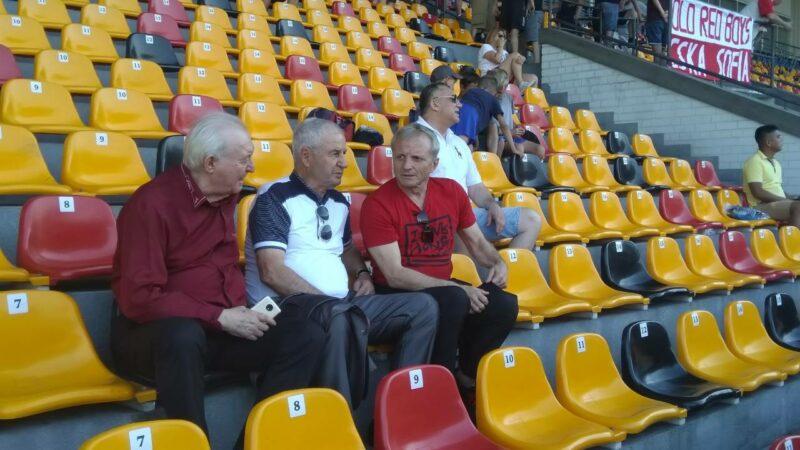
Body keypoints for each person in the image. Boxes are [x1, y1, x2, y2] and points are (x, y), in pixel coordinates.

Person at [111, 113, 326, 447]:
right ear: (210, 163)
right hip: (155, 337)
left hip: (218, 327)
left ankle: (254, 442)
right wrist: (218, 316)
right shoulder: (150, 205)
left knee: (305, 332)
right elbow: (139, 298)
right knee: (182, 335)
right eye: (243, 159)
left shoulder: (225, 196)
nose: (251, 168)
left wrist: (238, 314)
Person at [245, 118, 438, 408]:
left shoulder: (338, 201)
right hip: (286, 308)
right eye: (335, 154)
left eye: (345, 153)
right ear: (306, 156)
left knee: (423, 306)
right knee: (336, 318)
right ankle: (339, 416)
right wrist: (328, 303)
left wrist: (361, 272)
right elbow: (272, 272)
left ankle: (401, 406)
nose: (345, 163)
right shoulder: (272, 197)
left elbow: (346, 247)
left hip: (342, 305)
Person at [361, 124, 518, 392]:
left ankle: (466, 376)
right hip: (396, 293)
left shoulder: (452, 192)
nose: (406, 166)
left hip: (444, 288)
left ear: (434, 164)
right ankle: (439, 386)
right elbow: (394, 274)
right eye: (400, 157)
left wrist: (497, 262)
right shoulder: (377, 204)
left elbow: (477, 242)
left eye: (416, 158)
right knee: (454, 298)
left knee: (503, 304)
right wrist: (458, 289)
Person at [416, 82, 542, 251]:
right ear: (435, 103)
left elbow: (475, 187)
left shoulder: (458, 142)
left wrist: (492, 205)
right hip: (435, 220)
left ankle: (505, 269)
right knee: (466, 237)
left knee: (531, 220)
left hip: (465, 217)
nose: (460, 104)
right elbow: (412, 195)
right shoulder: (414, 139)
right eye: (453, 99)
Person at [743, 124, 800, 227]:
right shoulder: (754, 161)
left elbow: (776, 188)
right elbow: (758, 192)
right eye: (778, 137)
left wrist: (793, 197)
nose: (782, 139)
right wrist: (786, 200)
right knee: (798, 207)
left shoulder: (776, 163)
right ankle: (793, 237)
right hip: (760, 206)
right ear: (768, 143)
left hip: (777, 204)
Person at [451, 76, 522, 156]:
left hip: (456, 111)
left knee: (455, 140)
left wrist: (475, 139)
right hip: (471, 115)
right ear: (494, 91)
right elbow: (504, 126)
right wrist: (514, 149)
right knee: (461, 144)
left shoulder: (470, 91)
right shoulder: (493, 99)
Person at [487, 68, 546, 158]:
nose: (504, 88)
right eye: (501, 86)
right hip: (501, 138)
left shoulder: (509, 98)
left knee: (540, 149)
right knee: (519, 147)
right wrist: (511, 132)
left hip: (513, 135)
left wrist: (518, 128)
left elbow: (512, 118)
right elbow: (491, 129)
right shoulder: (489, 100)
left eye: (506, 85)